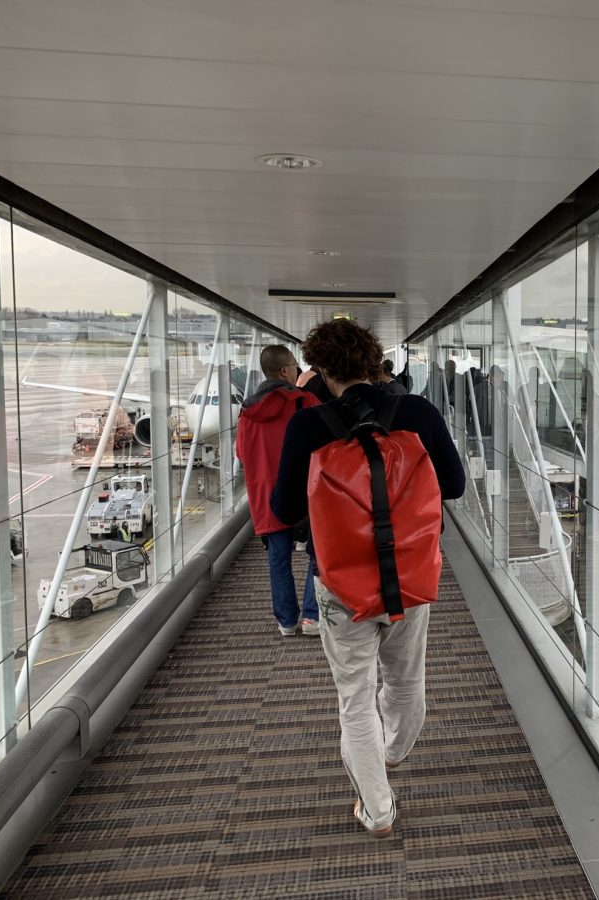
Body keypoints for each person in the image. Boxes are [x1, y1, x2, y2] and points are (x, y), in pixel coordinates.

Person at [271, 319, 464, 838]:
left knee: (355, 695)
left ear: (322, 370)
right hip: (410, 572)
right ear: (375, 360)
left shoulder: (311, 426)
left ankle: (377, 809)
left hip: (340, 584)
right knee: (406, 679)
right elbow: (455, 485)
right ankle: (395, 752)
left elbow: (284, 507)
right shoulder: (417, 411)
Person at [236, 345, 321, 636]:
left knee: (278, 560)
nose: (298, 369)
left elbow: (241, 454)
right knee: (317, 553)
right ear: (285, 370)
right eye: (295, 365)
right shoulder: (305, 401)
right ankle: (312, 616)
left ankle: (286, 621)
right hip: (304, 492)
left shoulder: (247, 411)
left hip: (265, 497)